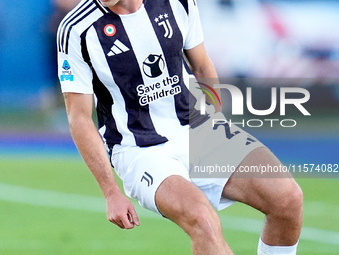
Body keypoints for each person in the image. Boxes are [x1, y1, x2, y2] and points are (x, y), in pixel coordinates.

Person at [57, 0, 303, 254]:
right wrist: (111, 192)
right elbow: (80, 117)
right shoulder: (76, 28)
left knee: (287, 198)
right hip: (140, 149)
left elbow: (202, 66)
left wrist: (216, 123)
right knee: (202, 220)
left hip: (198, 128)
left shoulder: (177, 2)